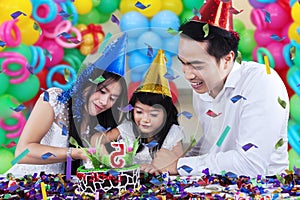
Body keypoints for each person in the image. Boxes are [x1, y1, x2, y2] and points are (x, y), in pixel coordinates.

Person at [150, 0, 290, 177]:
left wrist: (179, 164)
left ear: (227, 59)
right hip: (219, 186)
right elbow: (214, 144)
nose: (188, 74)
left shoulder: (261, 81)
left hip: (265, 188)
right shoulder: (202, 87)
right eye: (183, 63)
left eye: (197, 65)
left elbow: (251, 164)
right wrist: (174, 161)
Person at [7, 34, 129, 176]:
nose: (104, 101)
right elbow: (22, 153)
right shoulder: (55, 100)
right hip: (27, 184)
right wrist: (75, 153)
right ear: (88, 82)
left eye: (112, 98)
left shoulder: (99, 124)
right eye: (102, 91)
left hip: (61, 190)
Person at [91, 50, 184, 172]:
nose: (145, 119)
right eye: (139, 112)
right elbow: (95, 139)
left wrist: (157, 168)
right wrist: (105, 156)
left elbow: (179, 166)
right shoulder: (127, 128)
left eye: (154, 114)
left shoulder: (172, 133)